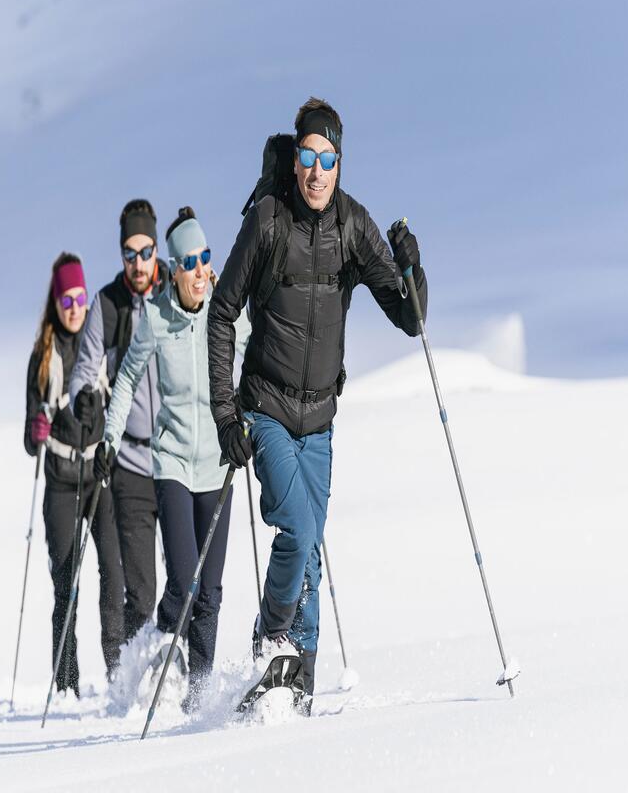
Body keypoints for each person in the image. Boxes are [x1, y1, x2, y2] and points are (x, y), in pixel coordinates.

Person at [207, 96, 429, 712]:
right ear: (296, 156)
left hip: (321, 418)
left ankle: (295, 690)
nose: (315, 171)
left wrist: (413, 266)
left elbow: (410, 318)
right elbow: (222, 312)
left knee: (313, 557)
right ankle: (271, 638)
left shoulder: (353, 226)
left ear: (340, 163)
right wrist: (226, 413)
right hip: (268, 409)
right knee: (299, 533)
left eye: (327, 159)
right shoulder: (268, 221)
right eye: (306, 156)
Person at [93, 207, 251, 710]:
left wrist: (251, 419)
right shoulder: (154, 321)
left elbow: (258, 358)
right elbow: (123, 383)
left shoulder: (228, 312)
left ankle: (197, 699)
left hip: (218, 462)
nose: (202, 270)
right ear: (174, 269)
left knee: (211, 590)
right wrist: (109, 439)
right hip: (173, 463)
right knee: (184, 581)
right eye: (191, 261)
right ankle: (160, 636)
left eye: (207, 258)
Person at [70, 200, 169, 676]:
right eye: (129, 253)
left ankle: (181, 676)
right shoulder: (107, 306)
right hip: (129, 463)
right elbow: (84, 370)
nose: (137, 263)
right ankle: (127, 677)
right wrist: (86, 398)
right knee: (142, 590)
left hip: (178, 457)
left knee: (188, 580)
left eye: (145, 251)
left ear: (156, 249)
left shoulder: (179, 291)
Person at [23, 252, 112, 696]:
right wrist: (35, 429)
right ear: (55, 303)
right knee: (67, 584)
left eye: (80, 297)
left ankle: (120, 677)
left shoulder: (98, 343)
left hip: (98, 475)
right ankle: (66, 686)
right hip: (59, 481)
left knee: (113, 577)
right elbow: (28, 441)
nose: (75, 307)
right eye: (66, 299)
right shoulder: (44, 357)